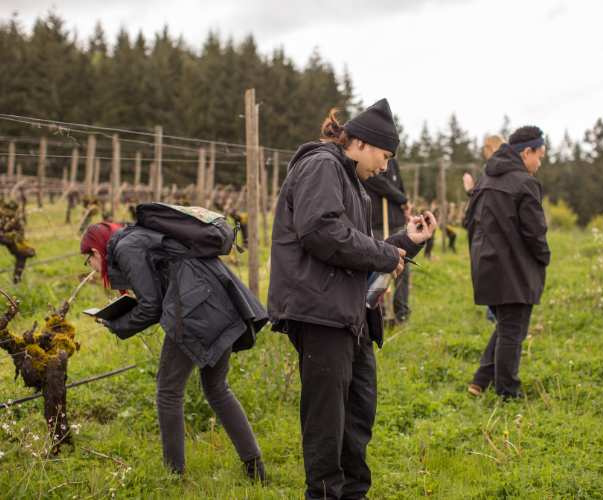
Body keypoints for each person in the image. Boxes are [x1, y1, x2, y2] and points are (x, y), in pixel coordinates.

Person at [267, 99, 436, 500]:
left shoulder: (353, 184)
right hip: (320, 311)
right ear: (360, 142)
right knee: (327, 423)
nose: (385, 166)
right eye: (384, 155)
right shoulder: (322, 165)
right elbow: (322, 232)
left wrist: (403, 244)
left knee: (357, 413)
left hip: (348, 313)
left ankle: (354, 494)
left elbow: (357, 250)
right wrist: (382, 254)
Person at [80, 221, 268, 481]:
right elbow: (161, 288)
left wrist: (114, 323)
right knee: (217, 389)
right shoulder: (138, 237)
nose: (89, 266)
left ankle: (174, 476)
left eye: (87, 259)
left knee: (168, 391)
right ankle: (255, 469)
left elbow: (151, 307)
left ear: (95, 250)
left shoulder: (125, 246)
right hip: (219, 302)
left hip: (194, 310)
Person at [461, 126, 550, 401]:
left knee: (506, 326)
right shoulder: (525, 183)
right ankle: (507, 393)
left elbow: (468, 222)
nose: (540, 162)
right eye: (540, 155)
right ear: (527, 152)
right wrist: (543, 257)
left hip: (486, 266)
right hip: (514, 269)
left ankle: (480, 380)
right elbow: (535, 232)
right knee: (512, 332)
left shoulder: (485, 177)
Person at [360, 157, 412, 323]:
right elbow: (380, 185)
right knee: (380, 270)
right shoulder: (373, 162)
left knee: (402, 269)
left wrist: (406, 203)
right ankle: (378, 314)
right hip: (377, 223)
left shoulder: (393, 162)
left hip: (395, 222)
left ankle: (401, 313)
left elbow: (400, 186)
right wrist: (402, 200)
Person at [472, 135, 505, 323]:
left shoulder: (494, 171)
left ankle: (493, 312)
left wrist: (472, 190)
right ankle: (492, 311)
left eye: (485, 147)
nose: (483, 151)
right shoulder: (491, 170)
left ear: (491, 148)